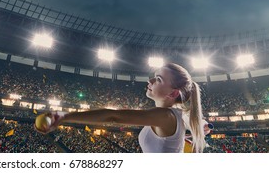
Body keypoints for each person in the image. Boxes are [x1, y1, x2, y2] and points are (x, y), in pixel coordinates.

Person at [36, 63, 209, 153]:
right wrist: (200, 126)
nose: (150, 81)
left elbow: (114, 117)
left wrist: (65, 116)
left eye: (158, 79)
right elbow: (191, 118)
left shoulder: (164, 116)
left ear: (173, 94)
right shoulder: (175, 114)